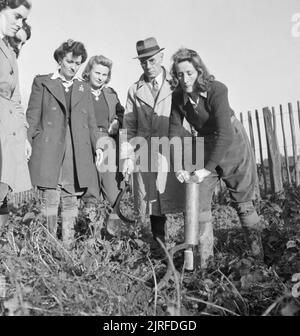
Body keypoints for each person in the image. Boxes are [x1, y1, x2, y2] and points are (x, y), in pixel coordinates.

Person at [169, 48, 264, 268]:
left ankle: (258, 258)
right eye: (180, 74)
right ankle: (205, 263)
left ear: (199, 71)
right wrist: (178, 167)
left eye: (190, 73)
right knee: (199, 203)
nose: (185, 79)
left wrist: (206, 168)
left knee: (244, 203)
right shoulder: (177, 97)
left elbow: (225, 133)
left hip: (232, 144)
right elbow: (174, 132)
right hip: (205, 143)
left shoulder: (217, 90)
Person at [26, 39, 102, 248]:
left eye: (77, 63)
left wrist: (99, 146)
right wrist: (28, 140)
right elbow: (33, 116)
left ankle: (67, 246)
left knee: (71, 195)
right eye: (69, 61)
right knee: (51, 193)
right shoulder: (43, 82)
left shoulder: (83, 88)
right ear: (60, 59)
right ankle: (47, 244)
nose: (73, 67)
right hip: (50, 146)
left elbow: (91, 123)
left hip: (75, 148)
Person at [121, 37, 184, 258]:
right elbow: (128, 126)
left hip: (173, 149)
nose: (148, 66)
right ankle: (159, 249)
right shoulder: (134, 90)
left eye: (152, 60)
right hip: (145, 151)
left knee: (181, 197)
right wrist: (127, 157)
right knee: (152, 204)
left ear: (161, 57)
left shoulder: (177, 83)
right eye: (143, 63)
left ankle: (188, 250)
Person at [82, 55, 124, 234]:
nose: (100, 77)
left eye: (104, 74)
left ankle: (114, 237)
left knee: (113, 193)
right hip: (86, 144)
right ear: (89, 71)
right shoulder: (80, 91)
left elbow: (122, 114)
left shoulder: (110, 94)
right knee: (91, 194)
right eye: (97, 72)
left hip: (108, 143)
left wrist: (117, 122)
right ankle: (91, 235)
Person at [0, 0, 32, 230]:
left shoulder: (10, 54)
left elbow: (16, 100)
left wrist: (23, 138)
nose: (19, 23)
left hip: (8, 132)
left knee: (3, 192)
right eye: (17, 16)